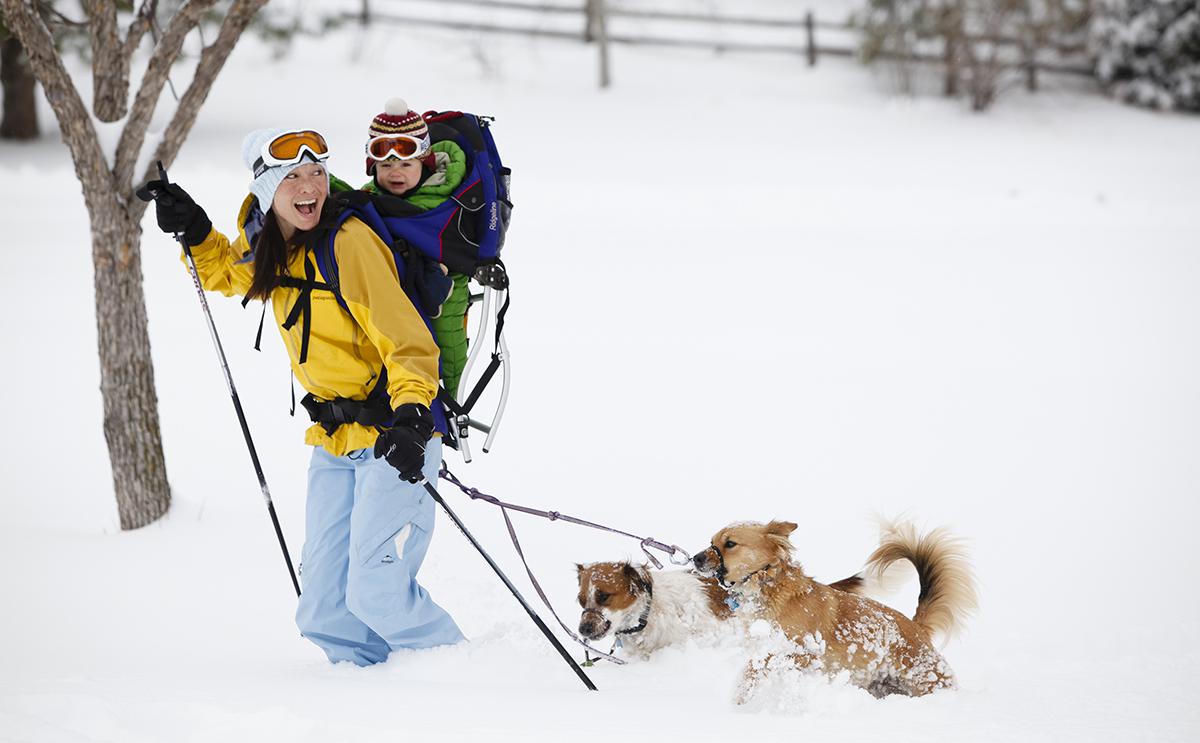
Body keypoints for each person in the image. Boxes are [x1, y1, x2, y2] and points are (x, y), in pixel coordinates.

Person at [139, 127, 465, 666]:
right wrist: (195, 230)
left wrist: (410, 416)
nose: (309, 185)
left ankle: (463, 677)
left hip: (397, 432)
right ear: (268, 189)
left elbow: (408, 340)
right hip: (335, 440)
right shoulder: (274, 243)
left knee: (375, 591)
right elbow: (226, 273)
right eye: (292, 176)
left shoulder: (348, 241)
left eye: (317, 172)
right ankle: (375, 695)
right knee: (322, 612)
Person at [359, 98, 472, 399]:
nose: (395, 172)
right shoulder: (371, 195)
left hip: (447, 294)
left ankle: (449, 399)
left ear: (425, 163)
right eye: (385, 164)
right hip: (399, 292)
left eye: (406, 164)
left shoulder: (439, 193)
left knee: (443, 344)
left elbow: (409, 219)